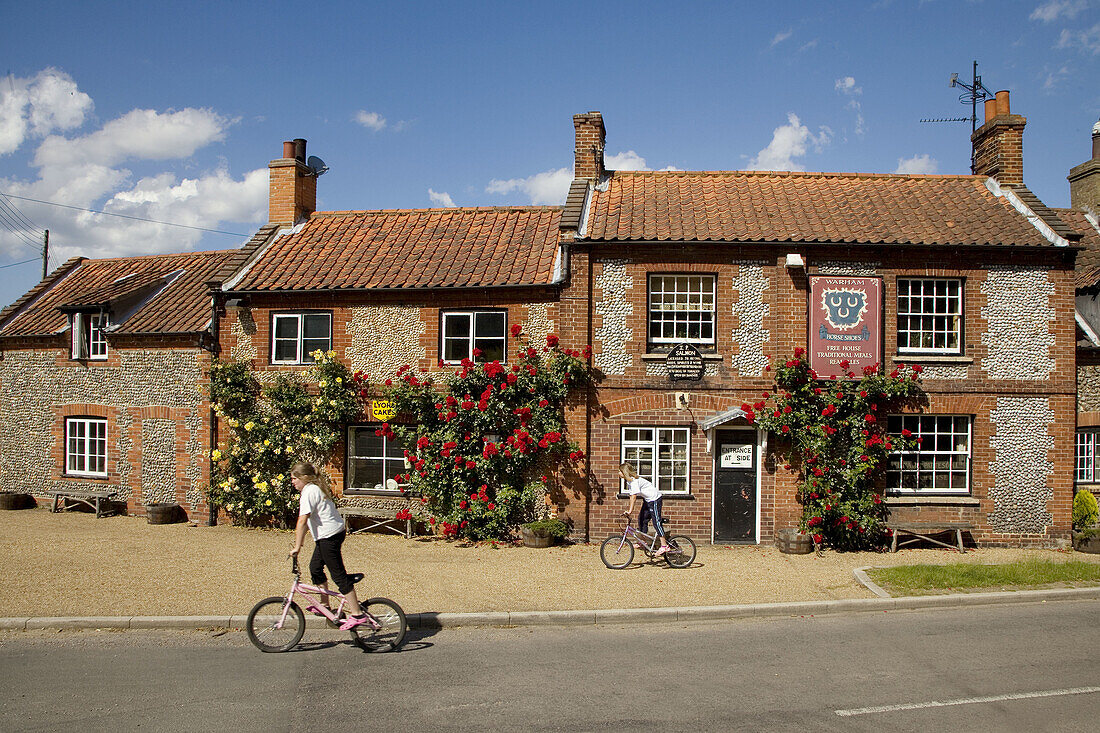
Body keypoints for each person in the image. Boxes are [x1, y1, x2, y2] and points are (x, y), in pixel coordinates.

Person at [288, 462, 369, 630]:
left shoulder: (309, 491)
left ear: (304, 478)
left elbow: (302, 521)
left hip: (329, 536)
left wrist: (297, 546)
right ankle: (325, 606)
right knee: (315, 568)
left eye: (294, 479)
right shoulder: (311, 489)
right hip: (328, 535)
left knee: (339, 576)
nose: (292, 482)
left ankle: (357, 614)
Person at [618, 462, 671, 555]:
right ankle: (642, 541)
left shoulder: (634, 482)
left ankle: (664, 546)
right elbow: (631, 496)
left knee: (656, 522)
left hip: (654, 499)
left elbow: (633, 497)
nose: (618, 473)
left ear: (625, 472)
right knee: (642, 519)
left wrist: (630, 511)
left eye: (620, 471)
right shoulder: (630, 481)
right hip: (648, 500)